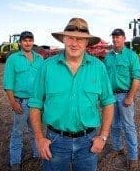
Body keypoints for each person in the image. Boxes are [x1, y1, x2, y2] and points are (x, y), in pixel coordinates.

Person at [28, 17, 115, 171]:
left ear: (87, 42)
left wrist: (103, 136)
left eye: (80, 39)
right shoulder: (47, 67)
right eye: (70, 38)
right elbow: (36, 103)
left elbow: (108, 102)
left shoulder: (98, 67)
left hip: (88, 143)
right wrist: (39, 138)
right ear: (64, 39)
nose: (75, 43)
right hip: (55, 142)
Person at [2, 31, 44, 170]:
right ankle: (15, 161)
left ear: (33, 42)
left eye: (30, 40)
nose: (28, 43)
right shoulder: (13, 59)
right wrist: (13, 102)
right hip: (21, 102)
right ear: (20, 42)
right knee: (18, 132)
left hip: (36, 103)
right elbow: (8, 82)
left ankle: (37, 155)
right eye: (25, 40)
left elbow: (44, 81)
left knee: (36, 131)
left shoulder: (39, 59)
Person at [104, 28, 140, 170]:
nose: (115, 40)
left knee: (129, 127)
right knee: (114, 125)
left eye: (118, 37)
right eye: (113, 37)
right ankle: (117, 148)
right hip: (110, 96)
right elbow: (104, 78)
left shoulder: (131, 56)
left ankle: (133, 157)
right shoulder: (108, 57)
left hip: (124, 95)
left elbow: (137, 77)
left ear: (124, 38)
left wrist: (130, 96)